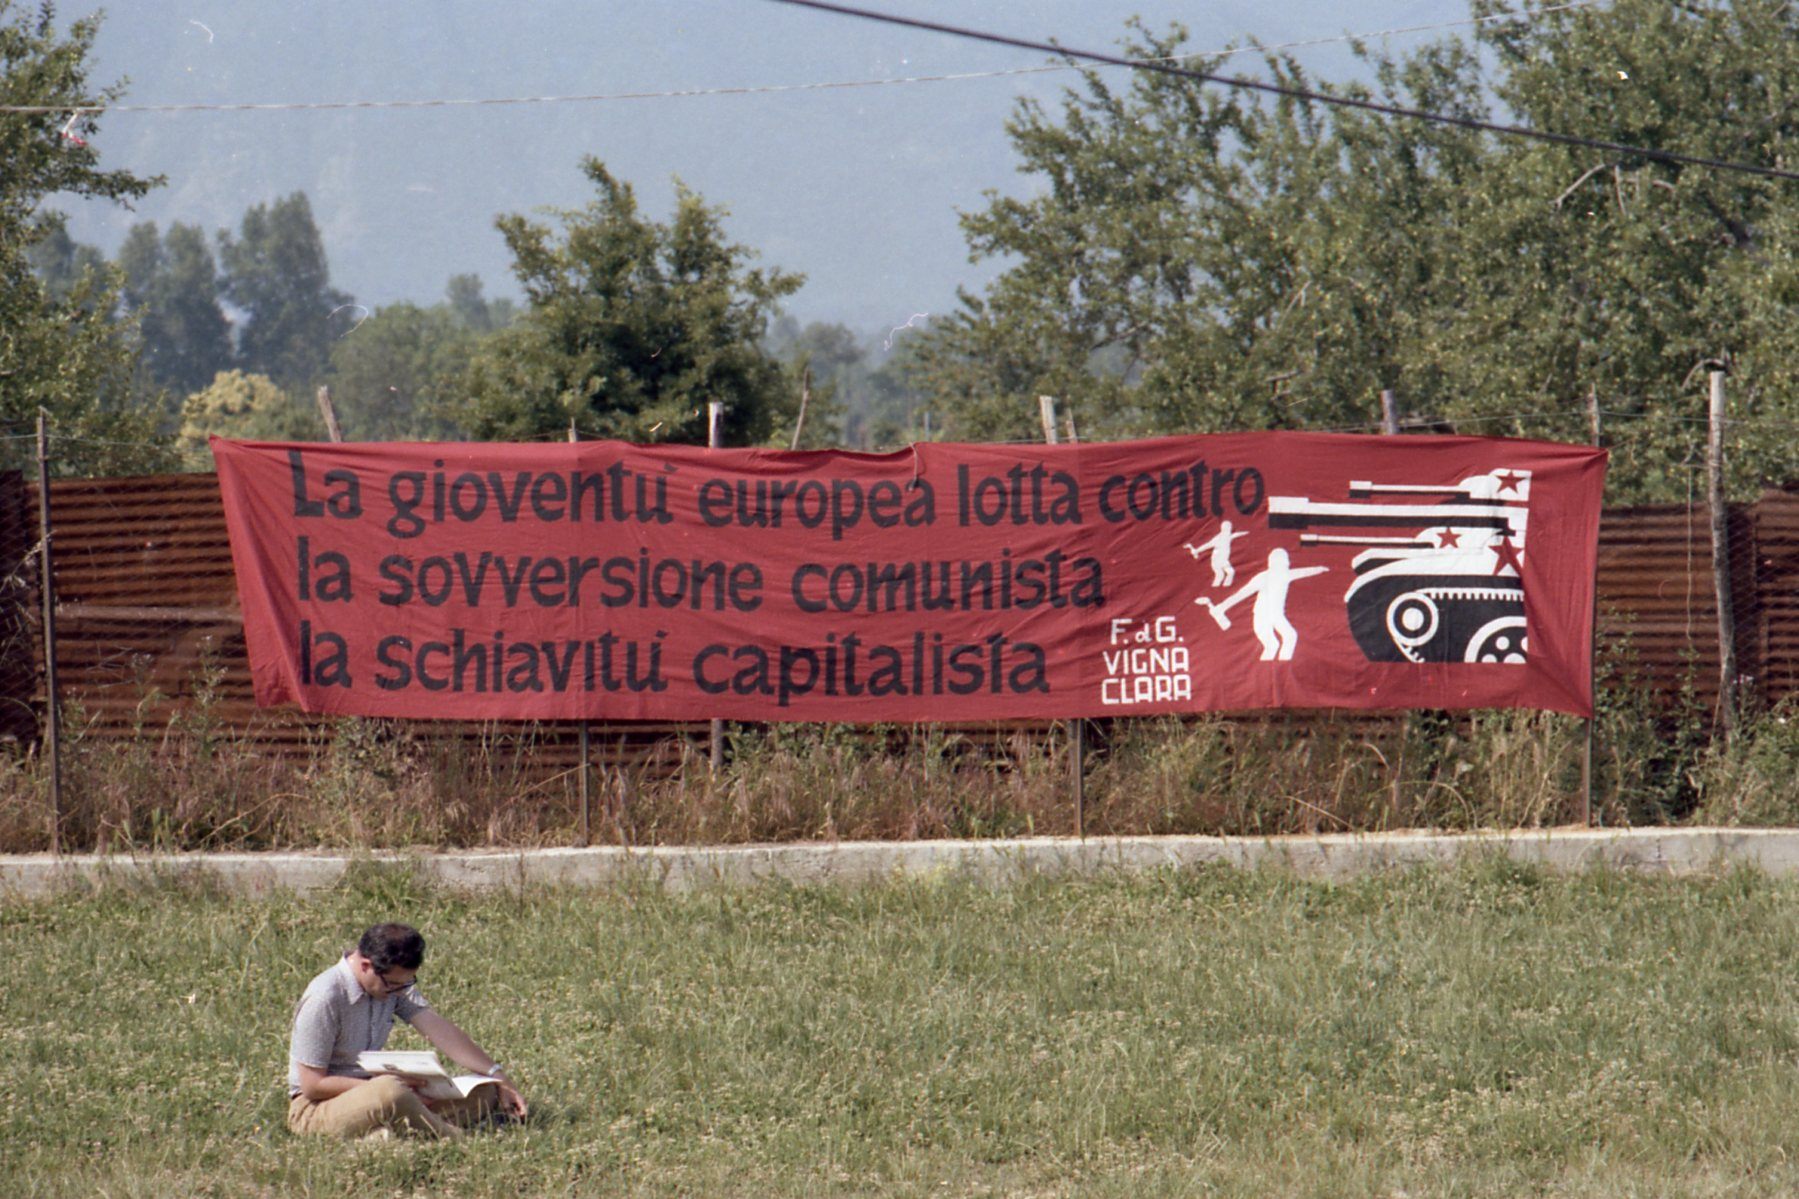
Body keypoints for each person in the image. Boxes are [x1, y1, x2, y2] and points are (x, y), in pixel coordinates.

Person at [286, 922, 527, 1138]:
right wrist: (396, 1092)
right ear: (366, 965)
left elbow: (440, 1030)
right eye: (393, 984)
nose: (399, 992)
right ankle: (450, 1136)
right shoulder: (324, 998)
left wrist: (499, 1076)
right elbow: (312, 1085)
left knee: (485, 1091)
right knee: (390, 1090)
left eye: (406, 984)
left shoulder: (391, 985)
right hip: (316, 1108)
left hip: (378, 1094)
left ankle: (390, 1132)